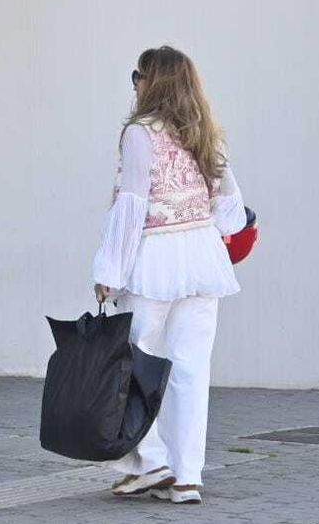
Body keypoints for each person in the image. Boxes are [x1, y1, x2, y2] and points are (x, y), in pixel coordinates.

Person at [92, 46, 247, 506]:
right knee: (191, 370)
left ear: (152, 81)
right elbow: (233, 210)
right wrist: (197, 223)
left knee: (134, 364)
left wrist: (108, 271)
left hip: (153, 259)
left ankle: (153, 460)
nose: (134, 83)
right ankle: (187, 476)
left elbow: (132, 205)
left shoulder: (140, 134)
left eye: (138, 75)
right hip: (201, 256)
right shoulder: (207, 134)